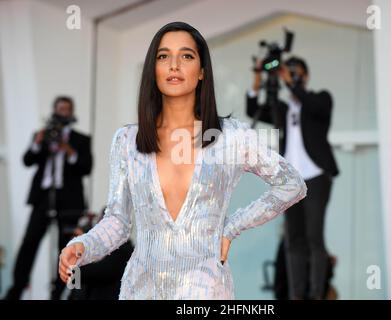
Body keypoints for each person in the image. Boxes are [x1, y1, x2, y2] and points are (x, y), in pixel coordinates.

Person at [59, 21, 307, 300]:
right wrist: (83, 244)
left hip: (205, 291)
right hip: (140, 289)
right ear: (154, 69)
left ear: (202, 71)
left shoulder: (231, 137)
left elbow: (292, 184)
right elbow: (118, 220)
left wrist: (232, 228)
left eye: (186, 56)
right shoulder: (127, 140)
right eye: (163, 56)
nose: (174, 65)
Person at [246, 57, 339, 299]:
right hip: (290, 181)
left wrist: (291, 83)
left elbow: (312, 104)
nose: (290, 78)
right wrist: (258, 78)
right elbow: (252, 109)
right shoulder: (283, 110)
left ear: (305, 77)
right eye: (288, 74)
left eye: (296, 74)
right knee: (293, 239)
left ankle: (317, 293)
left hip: (317, 177)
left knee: (313, 237)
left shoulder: (320, 99)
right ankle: (297, 295)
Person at [4, 96, 93, 300]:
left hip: (69, 201)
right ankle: (15, 290)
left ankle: (58, 293)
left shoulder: (81, 139)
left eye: (66, 109)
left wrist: (68, 149)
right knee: (29, 243)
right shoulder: (42, 135)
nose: (62, 112)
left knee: (66, 248)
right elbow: (27, 160)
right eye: (59, 109)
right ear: (54, 111)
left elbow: (86, 167)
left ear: (72, 113)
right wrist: (37, 143)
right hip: (43, 198)